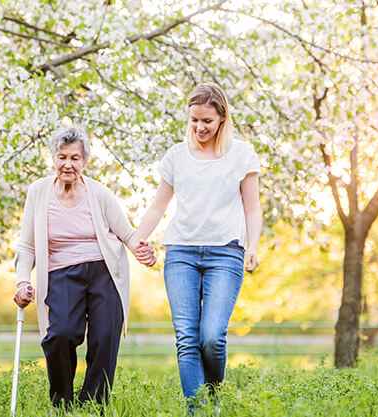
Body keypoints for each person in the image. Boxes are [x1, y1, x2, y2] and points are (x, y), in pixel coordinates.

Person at [134, 83, 262, 414]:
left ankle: (213, 397)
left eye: (206, 121)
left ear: (222, 118)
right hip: (181, 254)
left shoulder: (241, 154)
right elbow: (157, 206)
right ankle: (198, 410)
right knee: (187, 338)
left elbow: (252, 208)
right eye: (194, 121)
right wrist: (137, 238)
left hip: (226, 253)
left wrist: (253, 246)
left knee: (212, 336)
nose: (199, 128)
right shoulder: (177, 156)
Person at [12, 127, 154, 410]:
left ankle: (93, 405)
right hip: (62, 273)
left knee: (104, 338)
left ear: (84, 161)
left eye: (75, 158)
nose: (68, 164)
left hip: (104, 272)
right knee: (60, 335)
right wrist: (21, 281)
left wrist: (142, 250)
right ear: (53, 158)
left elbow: (127, 234)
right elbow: (27, 246)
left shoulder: (99, 194)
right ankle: (62, 403)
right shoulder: (38, 193)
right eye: (62, 157)